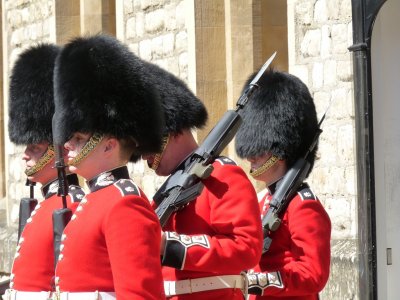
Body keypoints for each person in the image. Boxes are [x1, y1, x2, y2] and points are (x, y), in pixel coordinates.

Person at [51, 34, 166, 300]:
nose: (67, 144)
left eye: (78, 138)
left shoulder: (124, 203)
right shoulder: (94, 201)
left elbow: (139, 295)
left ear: (108, 145)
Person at [141, 62, 263, 300]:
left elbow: (246, 249)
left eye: (147, 145)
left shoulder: (222, 175)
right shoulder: (166, 190)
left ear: (172, 131)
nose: (144, 156)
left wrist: (169, 246)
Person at [235, 69, 332, 299]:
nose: (251, 156)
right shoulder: (263, 201)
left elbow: (313, 272)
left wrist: (261, 281)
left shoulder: (302, 205)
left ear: (280, 149)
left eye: (260, 150)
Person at [5, 44, 85, 299]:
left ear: (57, 151)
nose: (26, 154)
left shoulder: (72, 203)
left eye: (36, 147)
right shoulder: (44, 205)